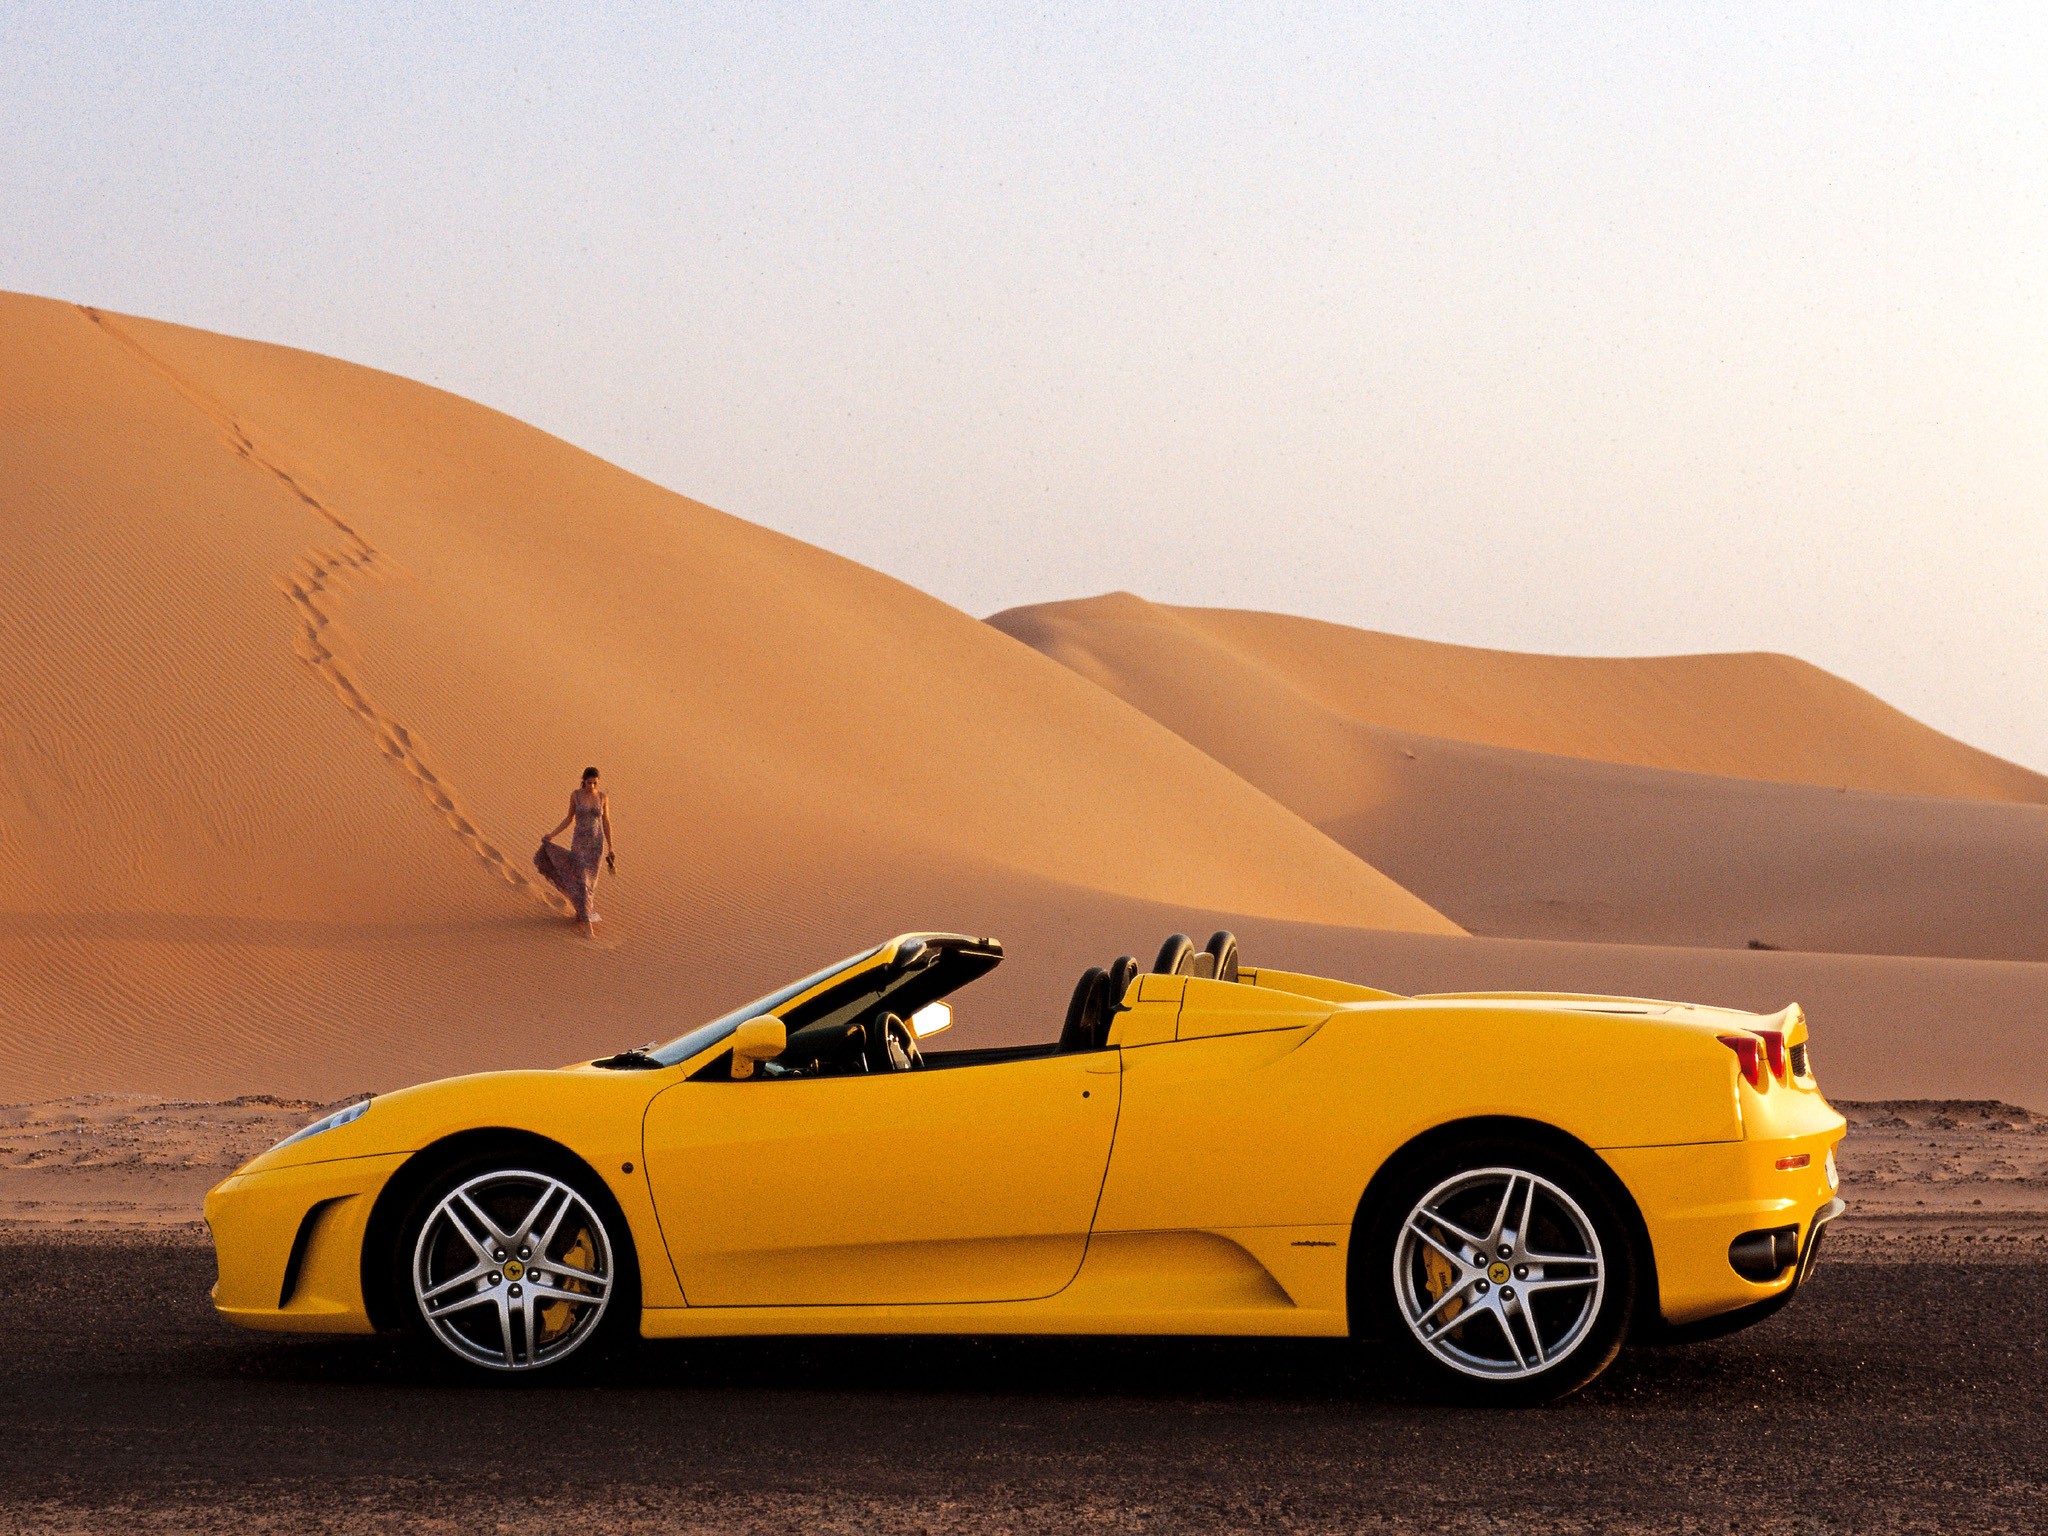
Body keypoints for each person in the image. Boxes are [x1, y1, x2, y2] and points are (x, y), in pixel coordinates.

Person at [537, 767, 616, 936]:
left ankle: (582, 913)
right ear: (583, 780)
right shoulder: (576, 795)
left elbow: (606, 822)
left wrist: (611, 847)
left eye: (595, 783)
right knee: (581, 879)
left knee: (590, 884)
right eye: (589, 782)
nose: (592, 785)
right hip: (579, 844)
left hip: (596, 846)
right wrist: (552, 834)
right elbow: (569, 818)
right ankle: (588, 925)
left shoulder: (602, 797)